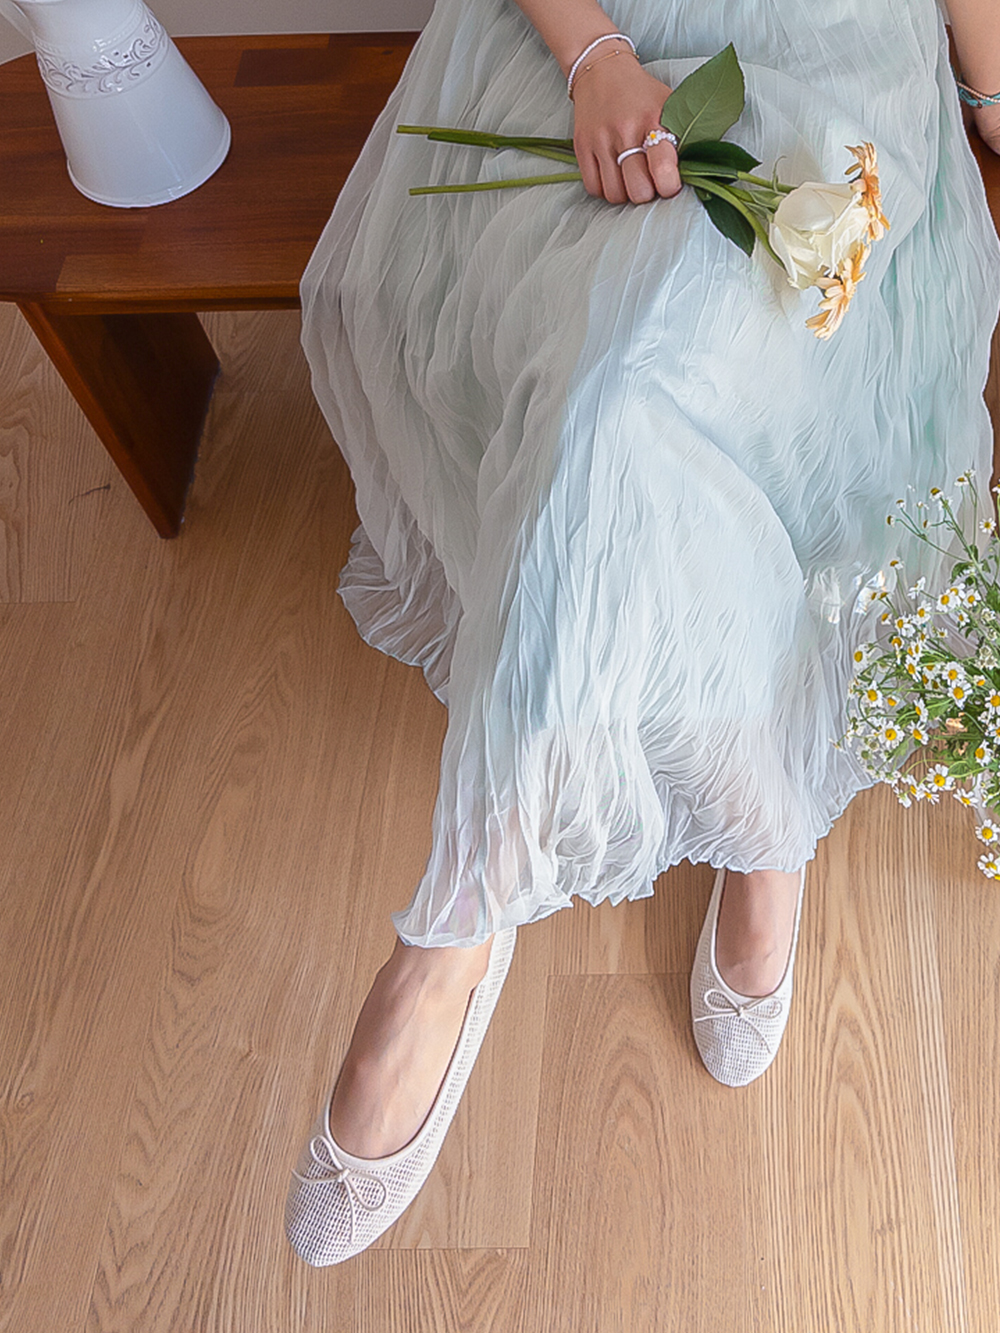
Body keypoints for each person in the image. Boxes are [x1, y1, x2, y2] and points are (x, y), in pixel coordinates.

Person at [285, 0, 1000, 1266]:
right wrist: (593, 55)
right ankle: (732, 840)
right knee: (603, 391)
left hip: (834, 47)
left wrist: (987, 98)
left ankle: (469, 918)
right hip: (584, 39)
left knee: (643, 393)